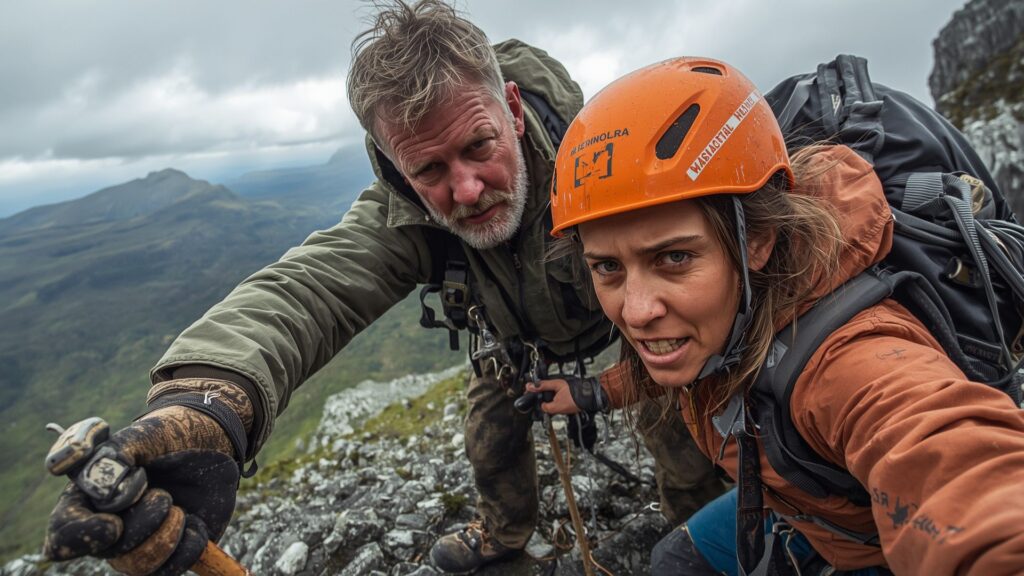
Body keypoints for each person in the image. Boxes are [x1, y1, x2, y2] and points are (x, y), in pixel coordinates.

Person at [41, 2, 726, 574]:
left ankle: (701, 536)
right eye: (429, 169)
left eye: (479, 146)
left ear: (513, 110)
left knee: (679, 426)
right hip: (511, 340)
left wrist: (602, 389)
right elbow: (310, 289)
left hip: (629, 326)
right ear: (397, 169)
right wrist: (208, 402)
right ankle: (504, 536)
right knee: (490, 434)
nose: (465, 190)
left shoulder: (604, 159)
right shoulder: (407, 214)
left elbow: (695, 289)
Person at [529, 56, 1024, 575]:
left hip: (871, 546)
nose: (636, 311)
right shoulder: (723, 314)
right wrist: (591, 393)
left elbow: (950, 462)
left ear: (758, 239)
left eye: (674, 257)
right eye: (607, 267)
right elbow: (678, 358)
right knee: (672, 561)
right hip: (804, 513)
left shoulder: (849, 361)